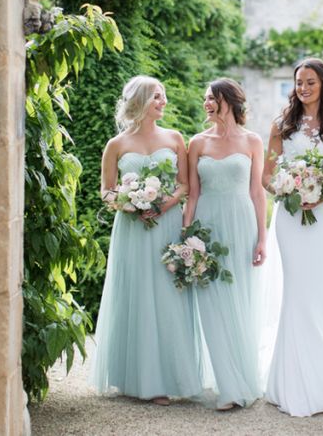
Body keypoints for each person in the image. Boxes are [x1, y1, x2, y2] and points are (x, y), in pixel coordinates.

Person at [90, 76, 202, 404]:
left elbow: (184, 184)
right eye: (157, 97)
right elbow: (106, 191)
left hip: (165, 225)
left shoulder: (175, 138)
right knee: (135, 294)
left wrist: (162, 204)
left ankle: (168, 378)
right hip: (131, 229)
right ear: (140, 101)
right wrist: (130, 203)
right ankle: (135, 378)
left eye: (164, 96)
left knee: (168, 296)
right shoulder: (117, 145)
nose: (163, 102)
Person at [263, 58, 323, 417]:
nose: (303, 88)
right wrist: (290, 190)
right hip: (291, 218)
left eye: (310, 82)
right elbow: (267, 175)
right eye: (299, 82)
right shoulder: (282, 124)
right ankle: (293, 383)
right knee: (297, 293)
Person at [183, 78, 267, 410]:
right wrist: (186, 237)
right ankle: (226, 382)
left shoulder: (252, 141)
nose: (206, 103)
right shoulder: (197, 143)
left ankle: (241, 380)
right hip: (207, 226)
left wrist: (262, 237)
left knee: (239, 300)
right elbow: (192, 193)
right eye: (204, 98)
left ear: (228, 100)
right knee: (212, 302)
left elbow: (257, 192)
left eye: (211, 98)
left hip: (241, 224)